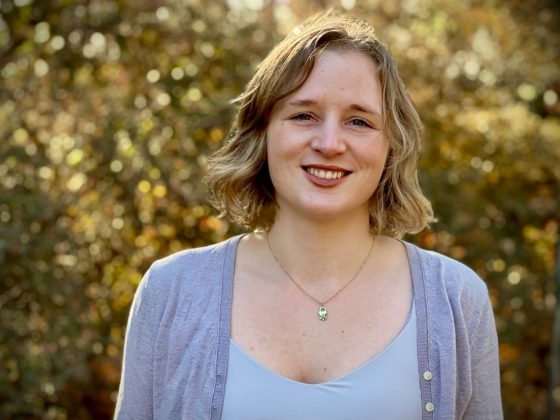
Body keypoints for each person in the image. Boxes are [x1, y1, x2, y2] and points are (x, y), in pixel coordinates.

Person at [114, 11, 503, 420]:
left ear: (392, 144)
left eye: (359, 121)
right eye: (304, 115)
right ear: (262, 132)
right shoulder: (172, 290)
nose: (330, 143)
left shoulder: (456, 299)